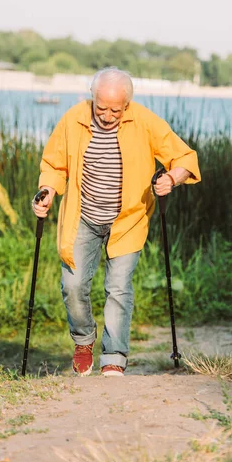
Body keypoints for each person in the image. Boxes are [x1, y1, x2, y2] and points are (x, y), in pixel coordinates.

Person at [32, 67, 200, 377]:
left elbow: (184, 158)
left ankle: (114, 356)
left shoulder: (144, 121)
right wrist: (48, 191)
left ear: (127, 105)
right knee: (72, 285)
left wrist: (171, 180)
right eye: (101, 108)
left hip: (128, 219)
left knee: (119, 288)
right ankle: (84, 340)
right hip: (83, 215)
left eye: (115, 110)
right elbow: (54, 164)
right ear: (92, 98)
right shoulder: (73, 119)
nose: (108, 115)